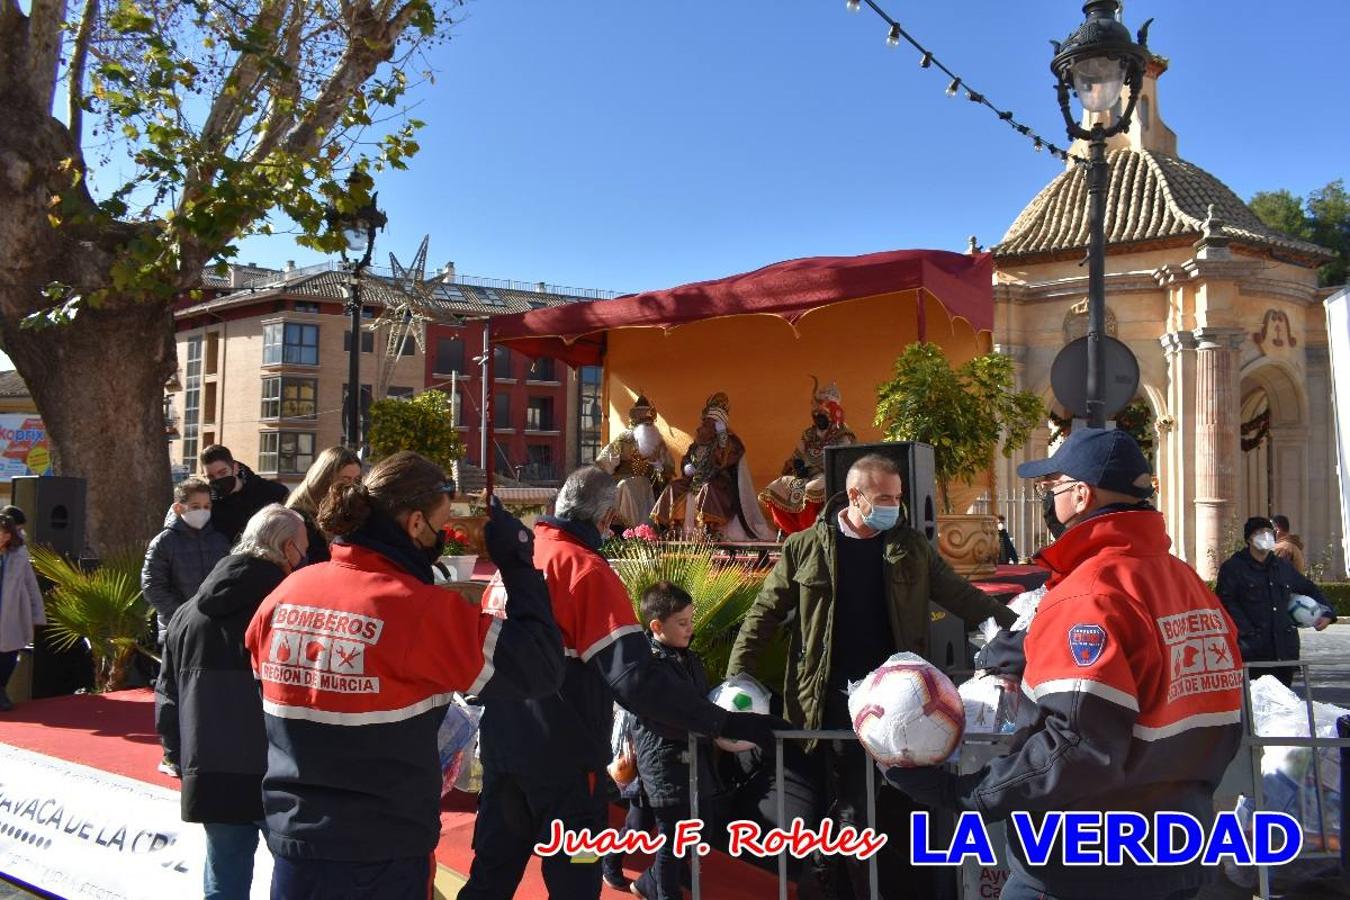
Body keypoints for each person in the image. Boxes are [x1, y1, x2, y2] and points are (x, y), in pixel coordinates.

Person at [886, 428, 1245, 900]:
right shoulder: (1188, 583)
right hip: (1179, 846)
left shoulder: (1089, 592)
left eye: (1050, 487)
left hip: (1081, 865)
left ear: (1081, 495)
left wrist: (966, 794)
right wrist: (1033, 647)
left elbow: (1078, 745)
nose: (1046, 500)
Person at [244, 451, 565, 900]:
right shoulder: (418, 611)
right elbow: (540, 668)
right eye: (445, 524)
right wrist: (518, 565)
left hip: (295, 844)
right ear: (416, 524)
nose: (447, 536)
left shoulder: (284, 595)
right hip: (382, 851)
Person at [462, 466, 785, 900]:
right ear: (606, 516)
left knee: (490, 877)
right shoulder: (585, 570)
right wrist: (723, 723)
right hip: (566, 771)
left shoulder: (516, 565)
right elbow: (634, 678)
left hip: (503, 755)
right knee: (575, 879)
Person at [727, 452, 1017, 899]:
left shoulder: (910, 548)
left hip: (893, 709)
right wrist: (737, 678)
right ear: (855, 496)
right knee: (824, 812)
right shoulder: (805, 546)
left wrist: (1017, 630)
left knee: (878, 813)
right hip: (820, 702)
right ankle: (833, 883)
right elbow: (764, 614)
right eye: (884, 498)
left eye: (898, 498)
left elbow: (961, 596)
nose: (895, 507)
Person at [155, 504, 308, 900]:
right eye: (303, 550)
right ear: (288, 548)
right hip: (280, 774)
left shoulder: (187, 614)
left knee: (223, 881)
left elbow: (167, 696)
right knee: (297, 881)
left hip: (211, 771)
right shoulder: (287, 608)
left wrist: (178, 756)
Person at [628, 582, 720, 900]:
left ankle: (650, 882)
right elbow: (663, 715)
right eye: (682, 623)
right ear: (656, 625)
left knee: (701, 829)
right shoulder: (646, 665)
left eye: (691, 621)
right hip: (662, 761)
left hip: (696, 757)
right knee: (665, 834)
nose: (690, 629)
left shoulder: (690, 659)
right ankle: (660, 891)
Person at [1216, 516, 1332, 687]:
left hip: (1284, 651)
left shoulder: (1282, 567)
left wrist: (1327, 613)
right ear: (1249, 538)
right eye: (1260, 532)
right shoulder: (1233, 568)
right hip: (1251, 652)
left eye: (1269, 532)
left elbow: (1310, 588)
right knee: (1255, 704)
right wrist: (1247, 632)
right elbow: (1226, 602)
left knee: (1283, 704)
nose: (1266, 536)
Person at [651, 392, 773, 540]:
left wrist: (722, 437)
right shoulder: (698, 443)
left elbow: (726, 458)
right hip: (693, 482)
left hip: (720, 483)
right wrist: (687, 466)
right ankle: (669, 528)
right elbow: (687, 458)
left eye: (708, 423)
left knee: (708, 489)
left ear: (717, 425)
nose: (703, 426)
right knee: (673, 487)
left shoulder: (729, 441)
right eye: (704, 422)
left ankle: (709, 530)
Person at [759, 378, 857, 535]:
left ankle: (811, 530)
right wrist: (798, 465)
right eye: (815, 414)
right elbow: (798, 453)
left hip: (830, 475)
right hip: (805, 474)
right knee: (775, 488)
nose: (817, 417)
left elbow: (844, 458)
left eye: (822, 414)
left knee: (812, 489)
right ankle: (793, 531)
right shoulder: (809, 433)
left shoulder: (842, 433)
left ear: (831, 414)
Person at [143, 478, 232, 646]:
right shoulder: (164, 542)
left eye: (207, 507)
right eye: (195, 507)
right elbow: (152, 586)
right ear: (178, 508)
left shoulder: (219, 541)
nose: (202, 511)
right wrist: (183, 613)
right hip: (177, 629)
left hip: (215, 630)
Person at [594, 394, 674, 530]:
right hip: (624, 485)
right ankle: (625, 528)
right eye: (645, 420)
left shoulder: (658, 441)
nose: (649, 424)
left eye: (650, 421)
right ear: (637, 420)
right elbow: (604, 463)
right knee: (626, 486)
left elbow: (669, 468)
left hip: (651, 487)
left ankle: (647, 530)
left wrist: (659, 467)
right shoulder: (624, 439)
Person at [200, 444, 291, 543]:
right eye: (211, 477)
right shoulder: (208, 505)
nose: (218, 479)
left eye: (223, 473)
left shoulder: (272, 492)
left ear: (235, 468)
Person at [286, 446, 362, 564]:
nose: (352, 486)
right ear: (325, 479)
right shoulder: (298, 517)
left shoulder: (350, 511)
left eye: (357, 480)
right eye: (345, 479)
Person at [0, 514, 44, 713]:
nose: (2, 537)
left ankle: (1, 689)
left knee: (8, 655)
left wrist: (36, 614)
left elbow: (30, 583)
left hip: (12, 612)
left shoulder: (18, 554)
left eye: (6, 533)